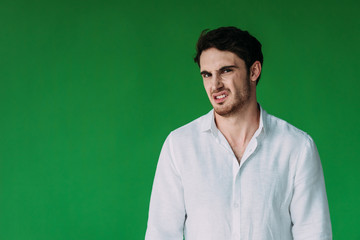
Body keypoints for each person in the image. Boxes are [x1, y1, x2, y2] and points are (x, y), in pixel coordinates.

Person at [145, 26, 332, 240]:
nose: (215, 85)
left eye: (226, 71)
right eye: (207, 75)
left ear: (254, 71)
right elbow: (161, 234)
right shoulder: (179, 146)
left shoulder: (297, 148)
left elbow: (314, 233)